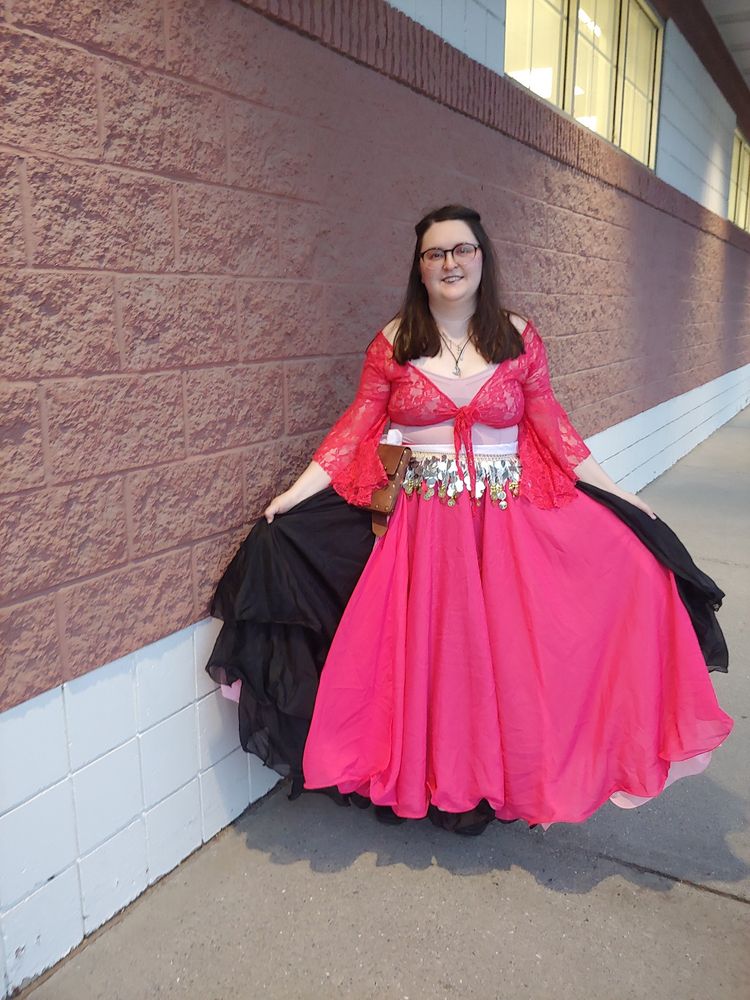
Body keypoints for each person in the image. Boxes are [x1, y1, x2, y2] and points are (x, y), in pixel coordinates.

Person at [207, 204, 732, 835]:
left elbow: (553, 428)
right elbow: (357, 429)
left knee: (529, 642)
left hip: (505, 528)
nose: (450, 263)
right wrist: (295, 494)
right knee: (433, 656)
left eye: (462, 250)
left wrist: (621, 496)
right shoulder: (394, 341)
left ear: (483, 258)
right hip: (423, 530)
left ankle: (507, 775)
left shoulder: (517, 337)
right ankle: (432, 777)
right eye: (436, 253)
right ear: (420, 268)